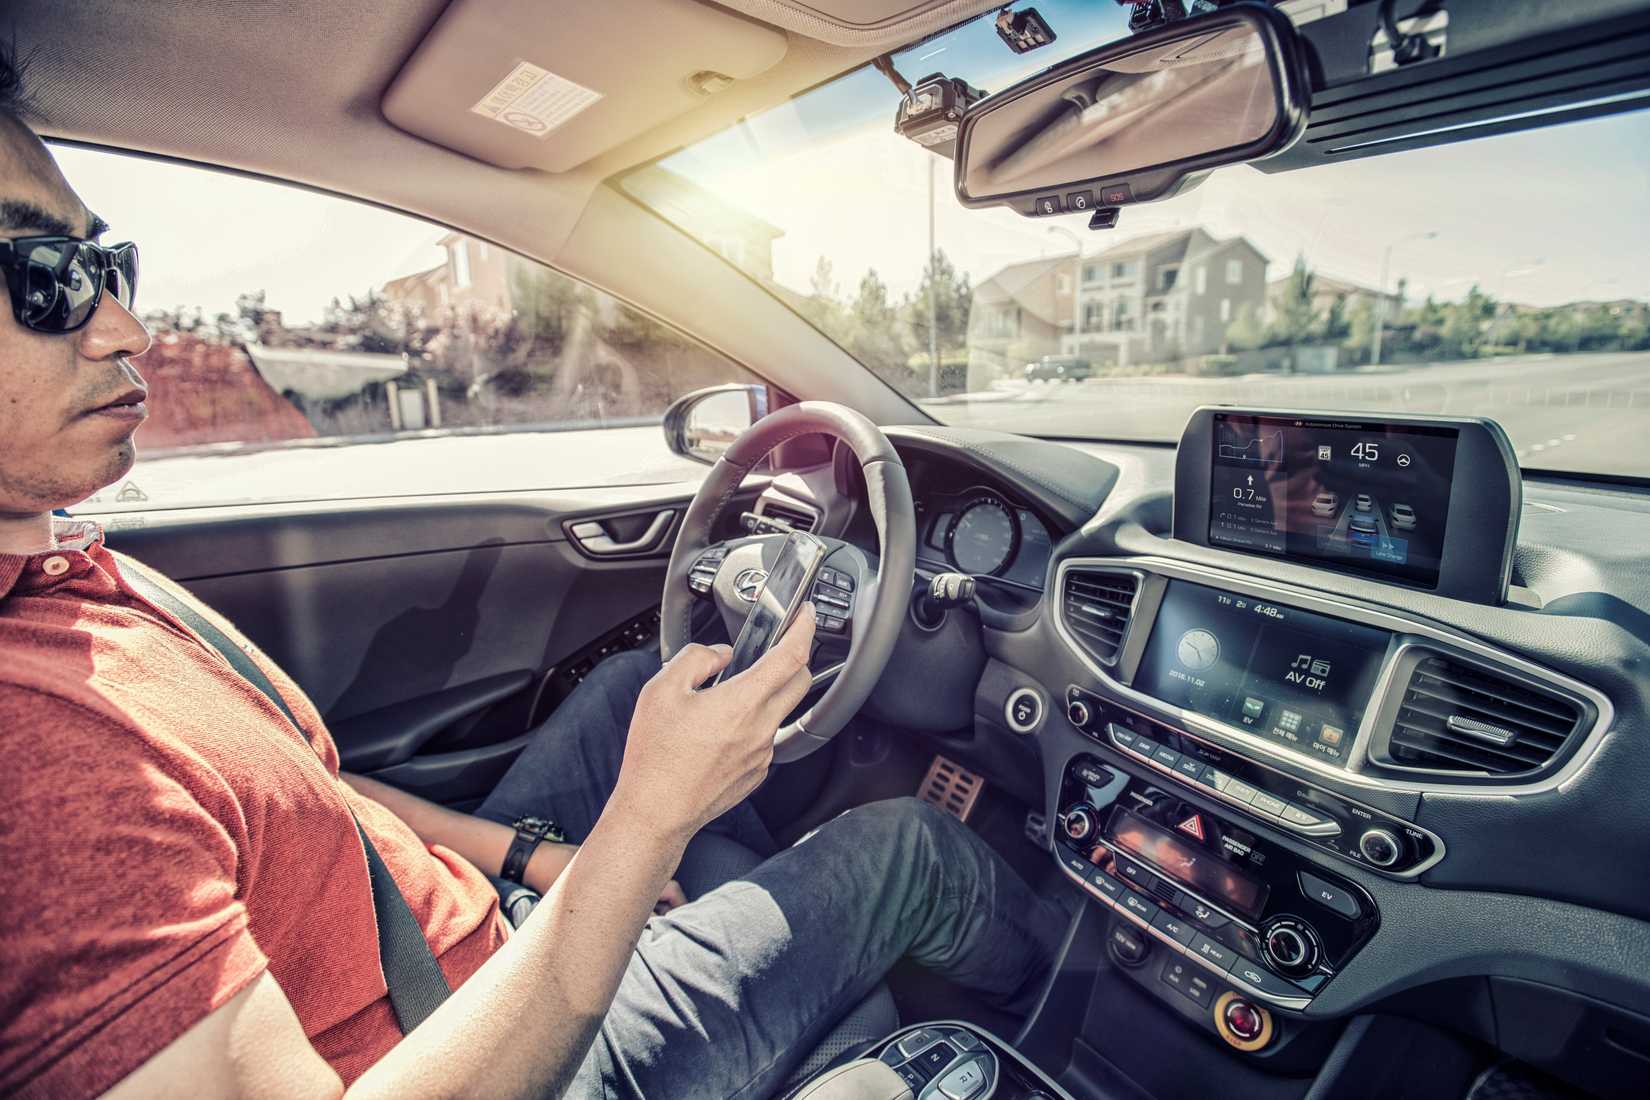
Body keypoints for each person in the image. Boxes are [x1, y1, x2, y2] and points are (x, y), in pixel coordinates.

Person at [0, 54, 1065, 1100]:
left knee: (624, 689)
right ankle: (1078, 1016)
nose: (125, 324)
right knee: (913, 848)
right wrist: (641, 826)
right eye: (45, 279)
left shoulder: (70, 572)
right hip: (503, 1044)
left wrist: (542, 860)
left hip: (456, 928)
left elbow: (315, 791)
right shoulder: (40, 768)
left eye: (108, 267)